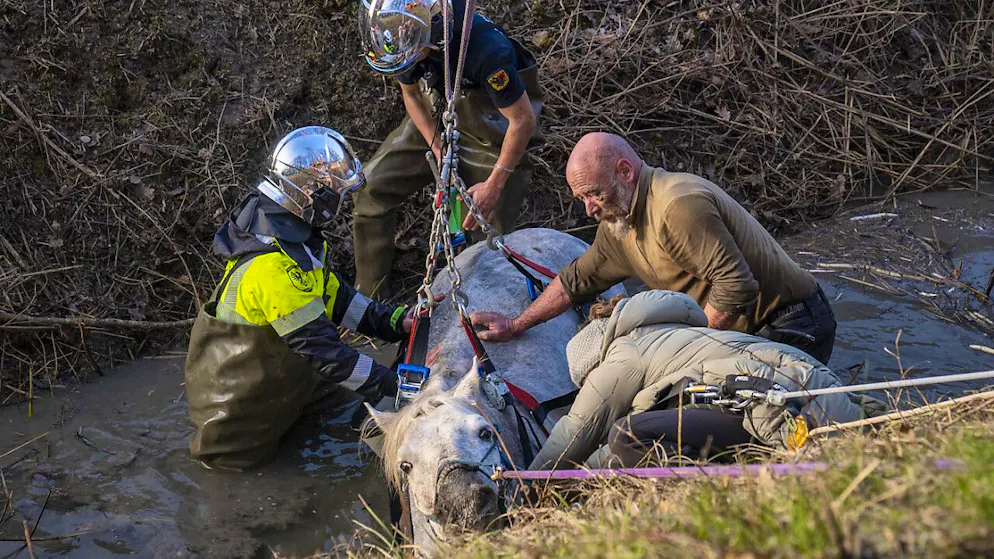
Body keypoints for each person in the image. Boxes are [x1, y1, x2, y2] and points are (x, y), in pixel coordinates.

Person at [472, 132, 838, 363]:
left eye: (594, 194)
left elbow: (736, 286)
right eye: (581, 198)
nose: (589, 208)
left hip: (791, 324)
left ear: (625, 171)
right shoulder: (619, 219)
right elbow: (576, 280)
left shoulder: (676, 206)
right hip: (741, 330)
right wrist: (517, 324)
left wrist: (685, 353)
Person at [184, 126, 416, 471]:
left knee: (352, 412)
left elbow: (339, 300)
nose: (342, 200)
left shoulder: (296, 243)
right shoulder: (273, 267)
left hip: (290, 385)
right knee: (245, 480)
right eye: (338, 191)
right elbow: (324, 352)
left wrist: (398, 323)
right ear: (314, 194)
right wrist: (399, 387)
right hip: (238, 415)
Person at [530, 290, 884, 470]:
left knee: (628, 435)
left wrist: (525, 487)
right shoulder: (673, 335)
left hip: (787, 412)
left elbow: (577, 428)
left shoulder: (625, 353)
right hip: (819, 390)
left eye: (588, 383)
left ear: (594, 364)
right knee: (628, 437)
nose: (590, 390)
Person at [353, 0, 544, 298]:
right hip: (434, 116)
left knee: (482, 228)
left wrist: (495, 184)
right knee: (371, 185)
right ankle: (369, 299)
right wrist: (439, 148)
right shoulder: (402, 39)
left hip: (492, 127)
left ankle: (485, 304)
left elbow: (522, 121)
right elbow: (412, 95)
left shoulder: (487, 51)